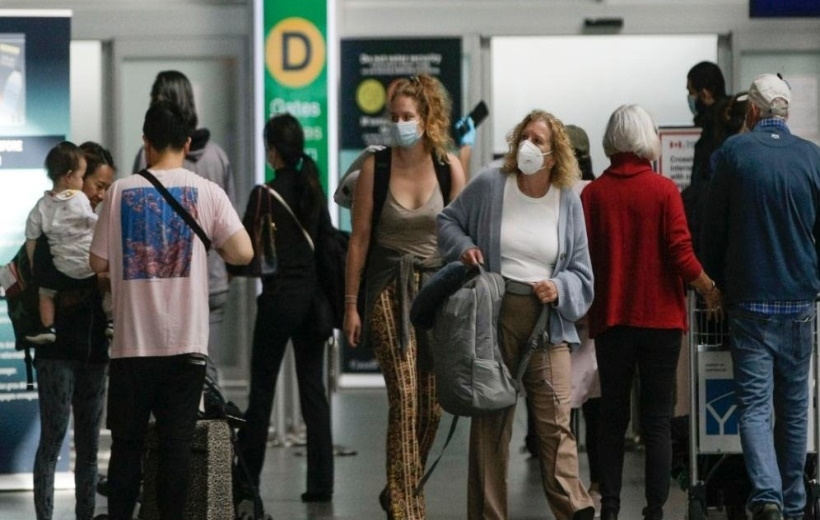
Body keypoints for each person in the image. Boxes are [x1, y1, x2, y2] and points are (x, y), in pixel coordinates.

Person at [89, 100, 252, 520]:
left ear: (145, 143)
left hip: (131, 346)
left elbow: (97, 261)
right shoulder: (207, 192)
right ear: (187, 143)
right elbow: (243, 253)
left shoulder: (119, 192)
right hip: (186, 345)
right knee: (176, 447)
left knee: (126, 447)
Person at [438, 109, 595, 520]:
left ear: (553, 155)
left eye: (538, 140)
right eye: (524, 136)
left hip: (547, 322)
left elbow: (582, 273)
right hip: (494, 322)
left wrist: (559, 287)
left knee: (556, 423)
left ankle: (575, 508)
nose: (528, 144)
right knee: (491, 424)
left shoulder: (567, 199)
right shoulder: (492, 183)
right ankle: (488, 514)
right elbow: (448, 221)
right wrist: (465, 249)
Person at [580, 104, 719, 520]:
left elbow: (582, 257)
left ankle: (609, 506)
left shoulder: (592, 195)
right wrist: (709, 288)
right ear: (646, 138)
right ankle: (655, 510)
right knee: (657, 420)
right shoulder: (664, 191)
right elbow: (680, 253)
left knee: (612, 417)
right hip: (660, 322)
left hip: (612, 320)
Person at [343, 74, 466, 520]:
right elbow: (359, 239)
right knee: (406, 397)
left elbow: (459, 238)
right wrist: (351, 304)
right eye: (393, 117)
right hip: (387, 289)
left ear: (427, 118)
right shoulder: (374, 169)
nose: (399, 125)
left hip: (434, 291)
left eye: (407, 116)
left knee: (431, 407)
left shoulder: (448, 167)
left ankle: (399, 484)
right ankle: (407, 508)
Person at [700, 74, 820, 520]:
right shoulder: (812, 157)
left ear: (751, 111)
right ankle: (795, 502)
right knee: (794, 407)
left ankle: (767, 496)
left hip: (749, 301)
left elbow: (714, 226)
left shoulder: (733, 153)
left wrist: (715, 282)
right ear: (786, 111)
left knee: (753, 406)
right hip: (799, 301)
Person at [236, 113, 336, 504]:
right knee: (313, 392)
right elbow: (326, 245)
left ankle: (248, 483)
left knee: (262, 392)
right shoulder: (312, 188)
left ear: (273, 151)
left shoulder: (265, 194)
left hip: (278, 302)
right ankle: (321, 484)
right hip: (312, 303)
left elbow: (245, 252)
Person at [133, 70, 237, 392]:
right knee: (206, 369)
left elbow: (140, 226)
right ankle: (211, 423)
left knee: (163, 374)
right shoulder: (217, 156)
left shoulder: (147, 158)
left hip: (164, 284)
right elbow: (230, 224)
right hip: (212, 278)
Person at [31, 142, 115, 520]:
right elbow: (41, 276)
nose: (101, 195)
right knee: (52, 442)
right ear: (76, 181)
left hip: (95, 351)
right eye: (97, 185)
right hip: (57, 353)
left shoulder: (98, 231)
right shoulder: (52, 226)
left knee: (88, 447)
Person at [23, 142, 96, 344]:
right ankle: (110, 320)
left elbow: (31, 237)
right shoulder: (79, 198)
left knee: (45, 292)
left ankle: (48, 327)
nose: (82, 181)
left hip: (61, 269)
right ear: (69, 176)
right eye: (81, 176)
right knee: (108, 282)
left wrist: (33, 264)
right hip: (88, 267)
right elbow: (93, 222)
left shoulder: (41, 206)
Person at [682, 62, 731, 255]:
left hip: (713, 235)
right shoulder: (724, 128)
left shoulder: (716, 135)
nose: (690, 99)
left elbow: (705, 188)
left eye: (691, 92)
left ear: (705, 94)